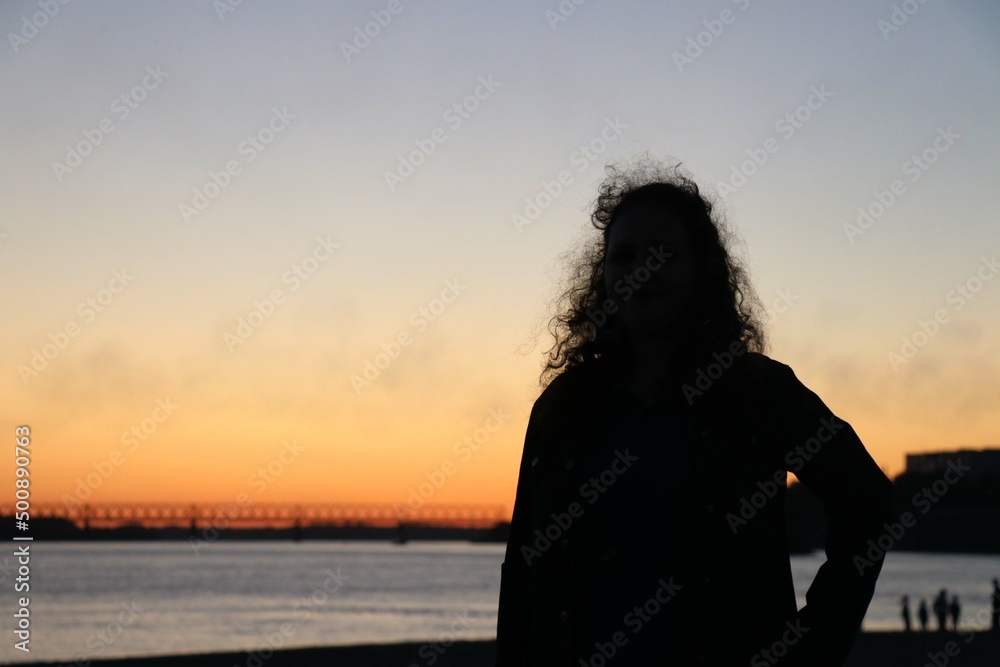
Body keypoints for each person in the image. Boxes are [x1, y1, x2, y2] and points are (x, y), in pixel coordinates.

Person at [495, 159, 895, 666]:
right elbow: (524, 569)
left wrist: (811, 647)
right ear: (604, 276)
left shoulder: (760, 392)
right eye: (624, 256)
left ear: (700, 270)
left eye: (664, 255)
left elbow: (869, 503)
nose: (642, 270)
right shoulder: (562, 407)